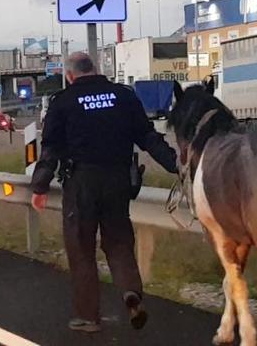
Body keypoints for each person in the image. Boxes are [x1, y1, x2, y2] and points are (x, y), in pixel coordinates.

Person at [31, 52, 178, 334]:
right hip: (118, 180)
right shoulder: (123, 96)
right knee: (119, 242)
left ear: (70, 75)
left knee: (81, 247)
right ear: (96, 69)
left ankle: (88, 316)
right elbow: (148, 136)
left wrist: (39, 186)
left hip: (81, 183)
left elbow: (51, 149)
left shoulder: (63, 102)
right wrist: (175, 164)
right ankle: (131, 292)